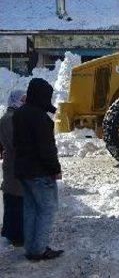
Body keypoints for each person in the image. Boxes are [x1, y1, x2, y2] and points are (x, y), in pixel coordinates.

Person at [13, 78, 63, 261]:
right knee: (47, 210)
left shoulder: (19, 114)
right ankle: (40, 249)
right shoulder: (41, 118)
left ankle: (31, 248)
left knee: (31, 209)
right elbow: (46, 149)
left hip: (23, 171)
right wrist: (55, 168)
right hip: (40, 172)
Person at [0, 90, 26, 247]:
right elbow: (15, 143)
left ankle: (10, 231)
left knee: (13, 198)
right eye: (22, 100)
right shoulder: (10, 119)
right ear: (15, 100)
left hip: (14, 164)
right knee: (15, 200)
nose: (25, 102)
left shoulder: (11, 117)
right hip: (15, 164)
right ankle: (15, 235)